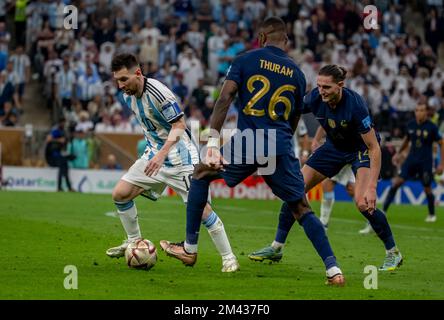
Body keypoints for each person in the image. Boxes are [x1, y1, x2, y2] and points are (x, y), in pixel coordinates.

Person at [160, 17, 345, 286]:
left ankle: (190, 248)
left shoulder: (246, 59)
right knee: (301, 207)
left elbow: (224, 98)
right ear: (286, 41)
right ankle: (333, 270)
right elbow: (294, 119)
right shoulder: (297, 73)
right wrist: (280, 144)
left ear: (261, 38)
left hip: (250, 141)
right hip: (280, 145)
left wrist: (212, 143)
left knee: (200, 174)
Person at [249, 64, 403, 272]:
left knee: (363, 203)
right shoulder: (315, 97)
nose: (321, 91)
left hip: (360, 150)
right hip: (334, 148)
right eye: (319, 86)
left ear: (340, 86)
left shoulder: (355, 104)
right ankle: (277, 247)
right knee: (295, 189)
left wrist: (372, 187)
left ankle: (393, 253)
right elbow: (292, 109)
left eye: (327, 87)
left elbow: (374, 147)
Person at [107, 53, 239, 273]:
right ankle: (133, 241)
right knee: (120, 194)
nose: (120, 86)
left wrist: (162, 154)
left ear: (138, 73)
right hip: (154, 156)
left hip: (181, 159)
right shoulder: (128, 96)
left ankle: (229, 258)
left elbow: (179, 125)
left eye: (124, 79)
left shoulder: (159, 93)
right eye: (117, 81)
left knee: (202, 210)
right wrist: (156, 154)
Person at [382, 103, 443, 223]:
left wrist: (442, 164)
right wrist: (398, 153)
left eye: (421, 110)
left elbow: (442, 143)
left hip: (425, 162)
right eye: (416, 110)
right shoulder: (411, 124)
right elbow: (407, 139)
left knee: (427, 189)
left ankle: (431, 214)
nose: (418, 113)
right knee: (396, 183)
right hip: (411, 160)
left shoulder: (432, 127)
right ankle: (383, 211)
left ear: (426, 112)